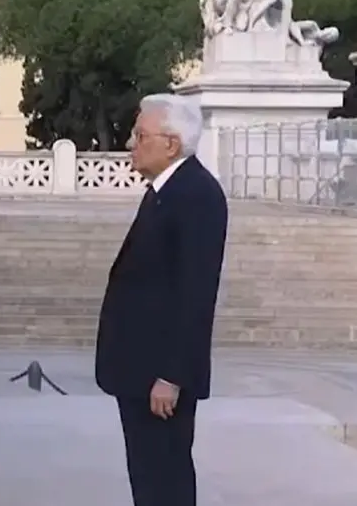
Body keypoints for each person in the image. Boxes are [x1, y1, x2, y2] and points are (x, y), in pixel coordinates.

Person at [94, 94, 227, 506]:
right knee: (148, 479)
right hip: (138, 367)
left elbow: (195, 293)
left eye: (140, 135)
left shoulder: (196, 195)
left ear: (171, 143)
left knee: (164, 480)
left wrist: (172, 375)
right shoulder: (163, 190)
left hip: (160, 377)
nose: (132, 144)